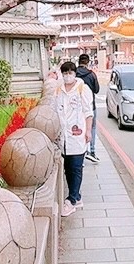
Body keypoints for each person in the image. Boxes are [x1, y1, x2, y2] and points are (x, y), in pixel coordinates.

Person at [57, 60, 94, 216]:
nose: (67, 76)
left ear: (74, 73)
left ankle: (71, 200)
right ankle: (77, 197)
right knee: (67, 169)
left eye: (70, 73)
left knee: (76, 167)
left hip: (77, 134)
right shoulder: (59, 90)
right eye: (64, 73)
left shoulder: (82, 89)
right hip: (63, 136)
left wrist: (88, 132)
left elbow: (88, 112)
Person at [75, 53, 100, 163]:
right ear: (88, 62)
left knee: (79, 127)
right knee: (92, 127)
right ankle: (92, 151)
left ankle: (81, 152)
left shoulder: (74, 74)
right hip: (91, 106)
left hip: (77, 107)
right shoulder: (91, 74)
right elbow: (97, 90)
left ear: (78, 62)